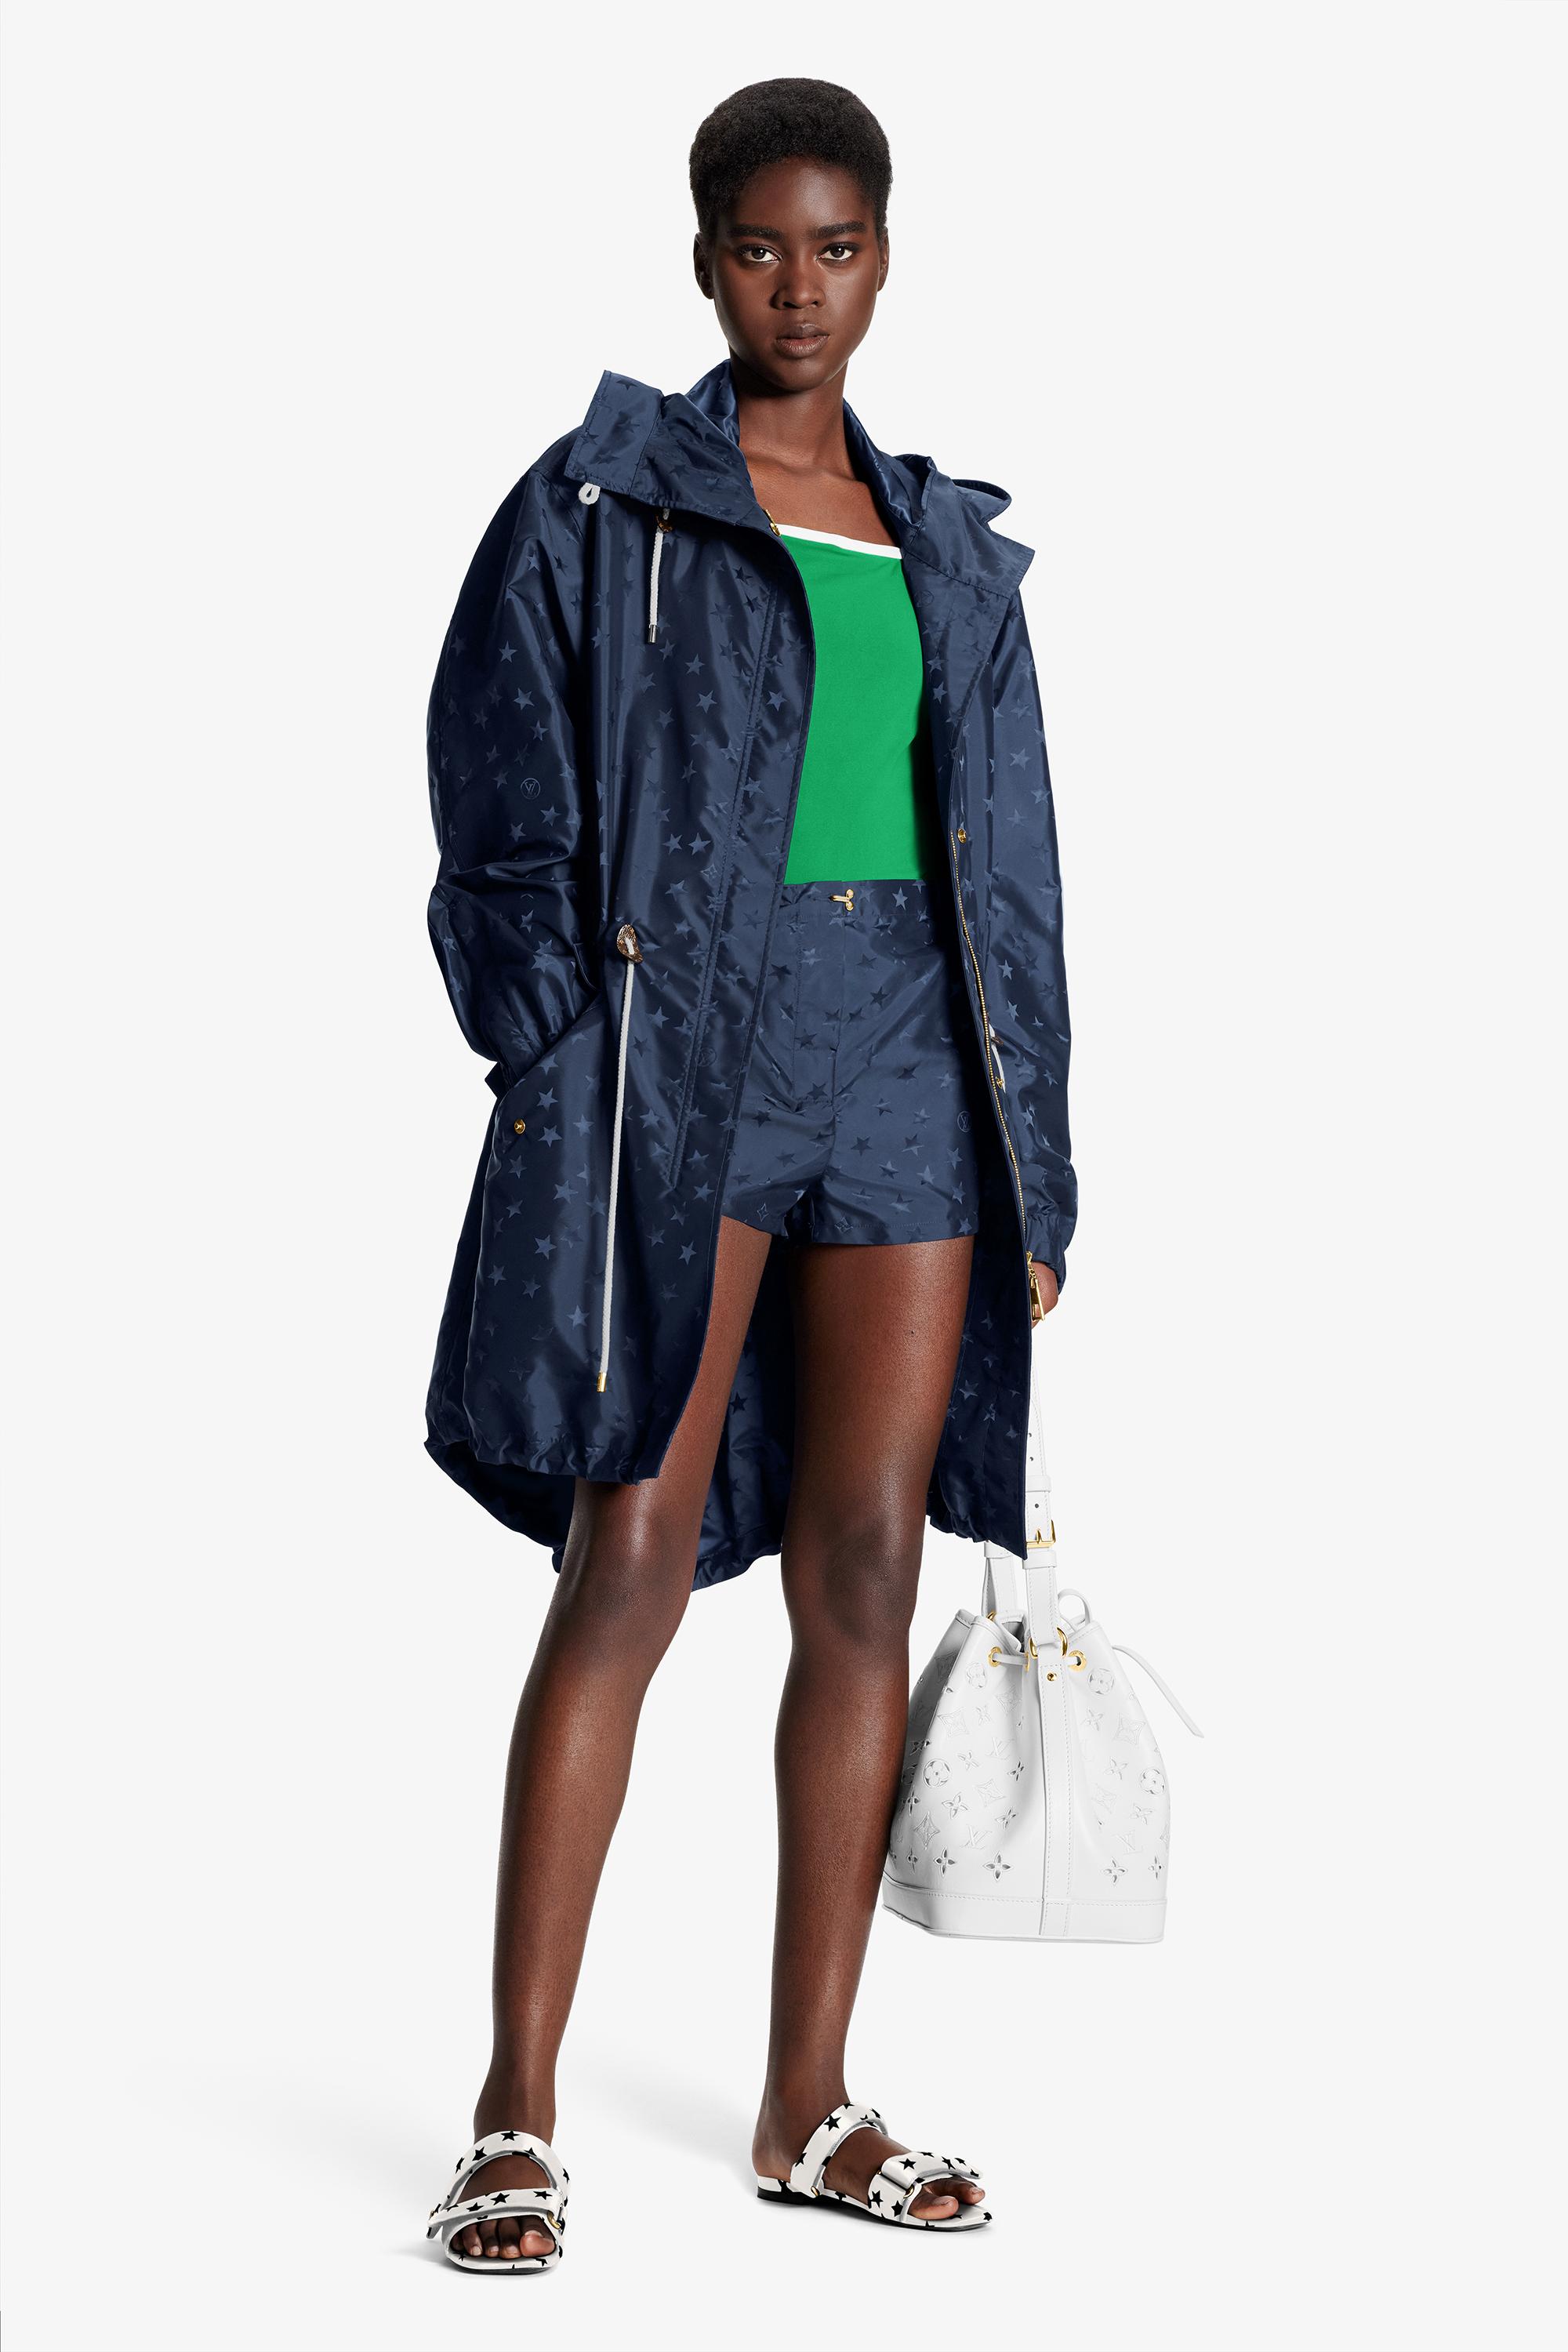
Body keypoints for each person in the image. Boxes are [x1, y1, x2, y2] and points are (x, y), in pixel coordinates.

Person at [420, 77, 1076, 2270]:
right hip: (685, 1062)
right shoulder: (607, 501)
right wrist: (555, 1051)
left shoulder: (950, 548)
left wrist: (1041, 1162)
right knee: (625, 1555)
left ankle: (812, 2100)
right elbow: (494, 783)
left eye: (839, 248)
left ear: (886, 263)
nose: (802, 288)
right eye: (762, 248)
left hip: (911, 1075)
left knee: (865, 1571)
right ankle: (514, 2111)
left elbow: (1018, 869)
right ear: (706, 260)